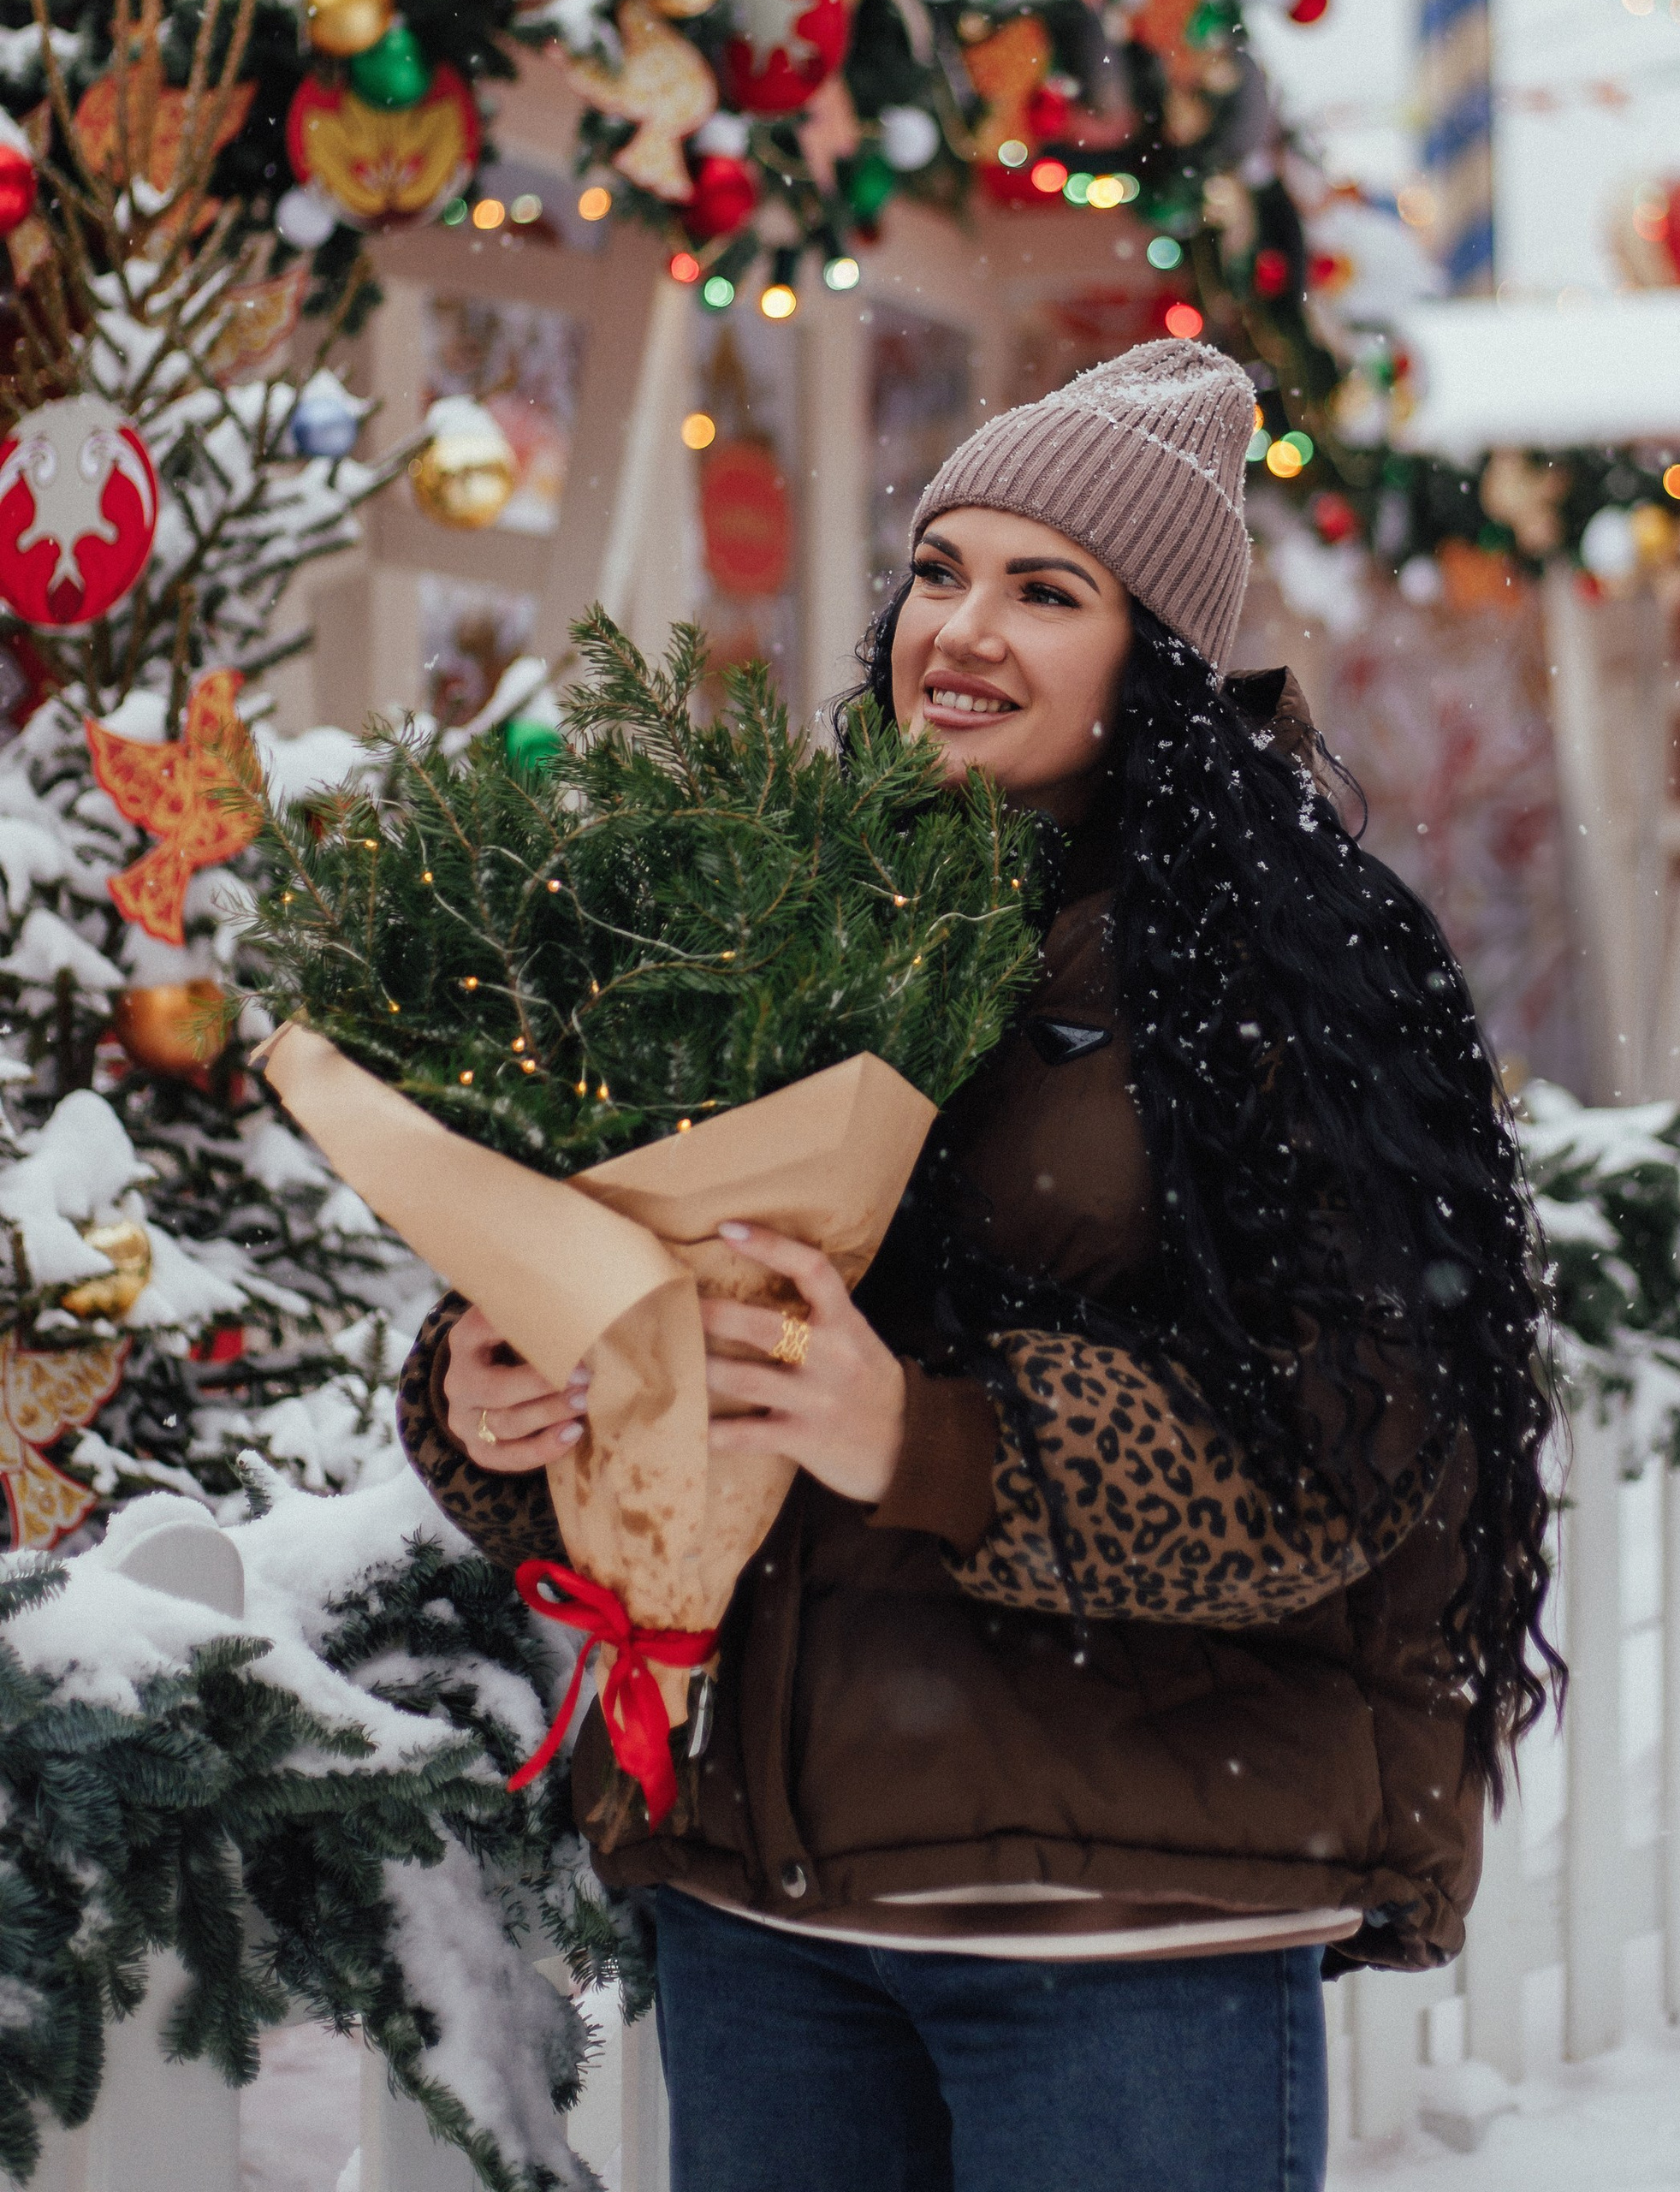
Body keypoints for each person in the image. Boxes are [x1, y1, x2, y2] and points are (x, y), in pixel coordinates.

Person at [398, 337, 1558, 2192]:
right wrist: (494, 1388)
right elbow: (622, 1270)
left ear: (1155, 657)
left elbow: (1353, 1436)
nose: (964, 629)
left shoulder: (1280, 964)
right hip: (765, 1902)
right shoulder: (769, 911)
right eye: (940, 572)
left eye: (1046, 591)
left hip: (1115, 1939)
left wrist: (939, 1438)